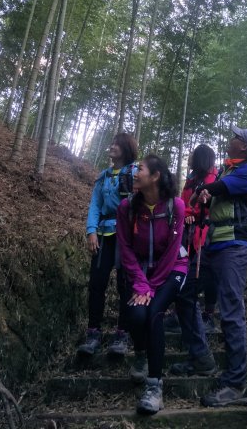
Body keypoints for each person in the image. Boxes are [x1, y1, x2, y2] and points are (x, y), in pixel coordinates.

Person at [176, 125, 247, 407]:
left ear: (244, 147)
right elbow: (211, 194)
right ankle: (201, 357)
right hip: (212, 246)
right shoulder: (228, 170)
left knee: (230, 310)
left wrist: (202, 190)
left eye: (236, 137)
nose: (231, 138)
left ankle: (237, 385)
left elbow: (218, 189)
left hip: (235, 248)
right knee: (184, 293)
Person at [116, 154, 188, 415]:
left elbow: (171, 252)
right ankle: (140, 354)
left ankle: (155, 387)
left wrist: (151, 287)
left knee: (154, 313)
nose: (135, 172)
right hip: (140, 272)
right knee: (135, 314)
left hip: (172, 269)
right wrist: (140, 283)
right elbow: (124, 248)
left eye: (141, 169)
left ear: (155, 176)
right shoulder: (127, 207)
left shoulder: (176, 206)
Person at [77, 133, 138, 357]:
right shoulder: (103, 176)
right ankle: (93, 332)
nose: (111, 147)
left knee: (125, 284)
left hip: (126, 235)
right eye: (111, 143)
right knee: (97, 282)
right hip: (103, 234)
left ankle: (122, 333)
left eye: (117, 144)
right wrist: (91, 231)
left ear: (126, 148)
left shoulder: (134, 172)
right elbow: (95, 205)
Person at [164, 144, 218, 334]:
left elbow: (204, 207)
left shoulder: (212, 178)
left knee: (206, 273)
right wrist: (185, 213)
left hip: (204, 232)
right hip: (187, 231)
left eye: (193, 155)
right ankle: (180, 312)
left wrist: (190, 213)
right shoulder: (191, 179)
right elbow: (183, 203)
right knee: (183, 268)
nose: (189, 158)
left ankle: (209, 315)